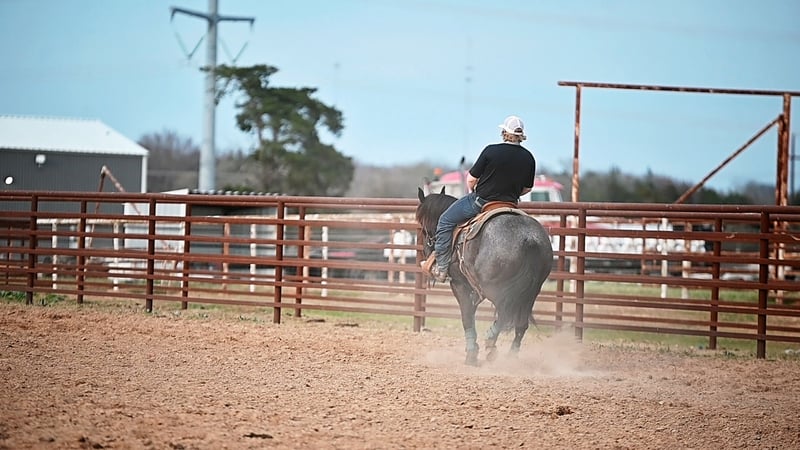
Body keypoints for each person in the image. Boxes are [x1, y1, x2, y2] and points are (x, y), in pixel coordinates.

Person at [425, 115, 537, 282]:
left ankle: (441, 267)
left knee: (445, 220)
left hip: (483, 201)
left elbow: (471, 179)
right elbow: (527, 188)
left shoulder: (491, 151)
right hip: (511, 204)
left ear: (504, 133)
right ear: (521, 135)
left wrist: (474, 190)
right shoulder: (528, 157)